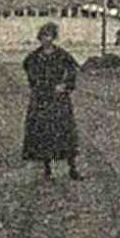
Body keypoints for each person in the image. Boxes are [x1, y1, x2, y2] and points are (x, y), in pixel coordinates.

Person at [22, 22, 82, 180]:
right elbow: (31, 76)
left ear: (54, 37)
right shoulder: (34, 57)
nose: (46, 39)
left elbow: (72, 71)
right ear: (39, 38)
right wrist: (42, 88)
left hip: (59, 100)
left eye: (49, 36)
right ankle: (47, 169)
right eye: (43, 36)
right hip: (42, 100)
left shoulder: (62, 55)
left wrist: (66, 85)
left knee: (65, 132)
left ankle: (72, 168)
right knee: (43, 133)